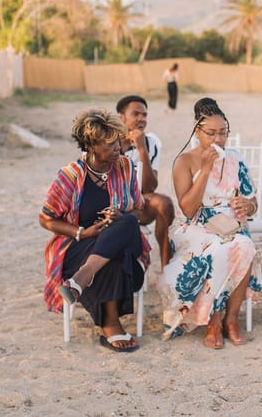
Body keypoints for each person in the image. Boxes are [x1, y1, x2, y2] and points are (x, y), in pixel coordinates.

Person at [40, 108, 151, 352]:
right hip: (81, 245)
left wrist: (121, 216)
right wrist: (83, 233)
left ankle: (82, 278)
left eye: (118, 143)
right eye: (110, 145)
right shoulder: (70, 175)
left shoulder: (125, 167)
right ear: (91, 145)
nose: (118, 150)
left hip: (125, 242)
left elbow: (140, 213)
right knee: (111, 259)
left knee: (129, 222)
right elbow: (46, 218)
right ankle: (111, 324)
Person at [158, 97, 258, 349]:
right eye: (211, 133)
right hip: (193, 227)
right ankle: (214, 319)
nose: (218, 140)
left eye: (223, 133)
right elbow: (188, 208)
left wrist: (248, 206)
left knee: (244, 246)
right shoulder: (184, 162)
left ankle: (231, 319)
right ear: (196, 132)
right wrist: (205, 169)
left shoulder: (235, 160)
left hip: (229, 224)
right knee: (219, 248)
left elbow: (252, 200)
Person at [116, 95, 175, 267]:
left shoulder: (151, 142)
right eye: (135, 114)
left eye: (144, 115)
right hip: (112, 203)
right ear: (122, 117)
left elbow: (149, 186)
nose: (141, 119)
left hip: (139, 203)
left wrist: (141, 149)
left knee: (164, 204)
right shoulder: (108, 141)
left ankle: (166, 265)